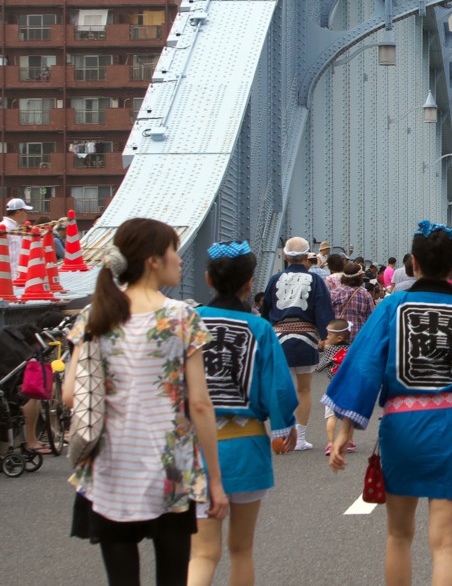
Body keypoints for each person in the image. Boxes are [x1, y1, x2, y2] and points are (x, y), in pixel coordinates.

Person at [325, 220, 452, 586]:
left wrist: (345, 428)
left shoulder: (393, 306)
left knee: (399, 536)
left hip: (401, 426)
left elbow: (363, 367)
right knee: (446, 543)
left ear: (413, 263)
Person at [65, 218, 228, 586]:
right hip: (169, 469)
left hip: (111, 468)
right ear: (154, 260)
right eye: (174, 250)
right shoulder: (182, 317)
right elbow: (200, 405)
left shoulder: (96, 314)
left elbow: (71, 392)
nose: (181, 259)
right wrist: (214, 482)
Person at [189, 241, 298, 586]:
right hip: (247, 445)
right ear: (250, 283)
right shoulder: (260, 329)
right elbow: (278, 387)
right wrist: (285, 427)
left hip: (195, 450)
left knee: (203, 552)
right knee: (241, 549)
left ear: (207, 279)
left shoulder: (188, 323)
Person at [260, 237, 335, 451]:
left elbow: (266, 308)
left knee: (280, 388)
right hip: (306, 337)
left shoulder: (275, 279)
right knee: (304, 388)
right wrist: (324, 336)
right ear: (307, 257)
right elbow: (323, 310)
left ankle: (280, 435)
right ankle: (300, 438)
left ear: (285, 256)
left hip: (278, 337)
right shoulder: (315, 280)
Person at [317, 319, 352, 457]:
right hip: (348, 387)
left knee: (331, 416)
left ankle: (330, 443)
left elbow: (319, 368)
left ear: (338, 337)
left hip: (333, 388)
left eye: (328, 335)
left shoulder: (330, 351)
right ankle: (348, 442)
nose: (326, 338)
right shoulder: (351, 349)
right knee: (348, 417)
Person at [329, 261, 374, 341]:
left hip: (338, 338)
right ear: (360, 277)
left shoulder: (334, 293)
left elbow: (328, 315)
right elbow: (371, 319)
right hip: (358, 339)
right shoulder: (365, 294)